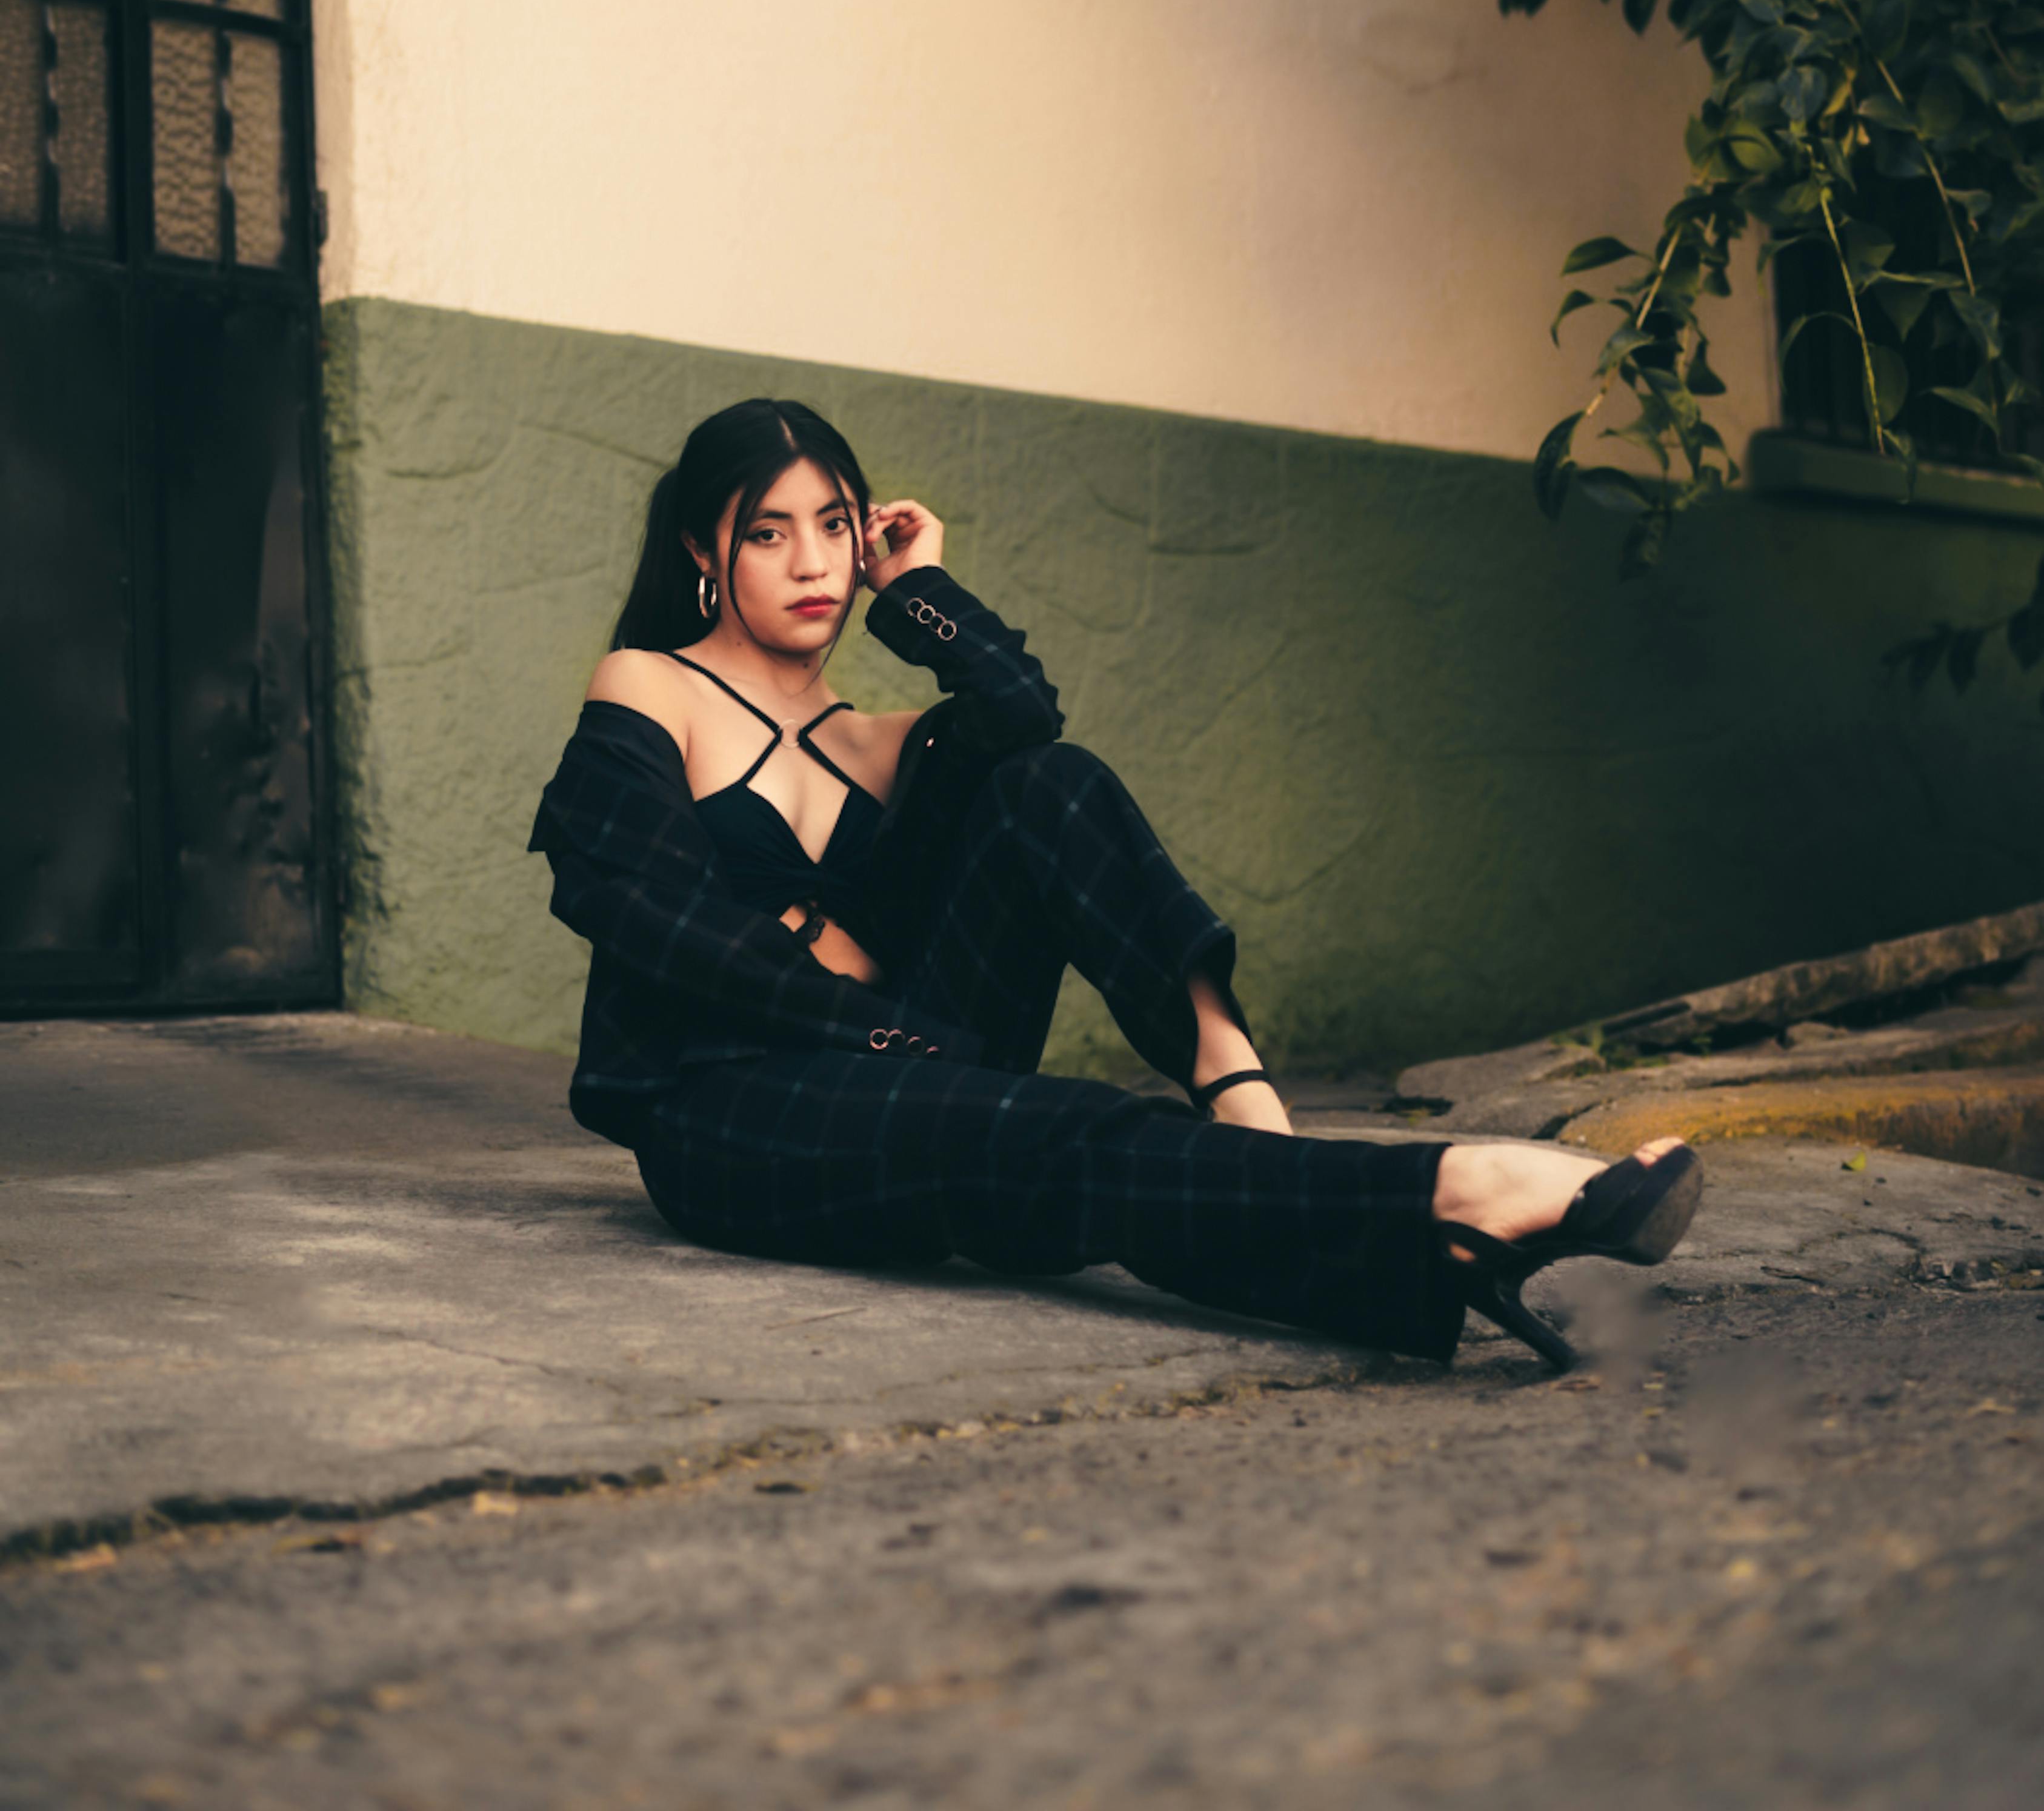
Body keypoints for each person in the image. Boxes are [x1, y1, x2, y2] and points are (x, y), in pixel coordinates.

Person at [530, 397, 1700, 1372]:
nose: (813, 563)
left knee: (1052, 780)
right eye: (768, 533)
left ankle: (1240, 1096)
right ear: (702, 549)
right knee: (1066, 1133)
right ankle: (1463, 1197)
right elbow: (654, 920)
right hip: (733, 1111)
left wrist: (918, 587)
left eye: (834, 527)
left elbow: (1020, 716)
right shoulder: (649, 685)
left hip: (903, 1067)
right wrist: (891, 1037)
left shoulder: (874, 739)